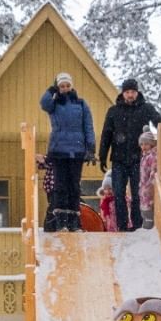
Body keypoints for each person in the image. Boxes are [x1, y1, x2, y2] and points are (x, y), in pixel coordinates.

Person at [98, 77, 161, 232]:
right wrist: (103, 155)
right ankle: (122, 226)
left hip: (139, 160)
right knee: (119, 194)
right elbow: (106, 134)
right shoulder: (114, 111)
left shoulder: (145, 108)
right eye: (127, 92)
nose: (130, 95)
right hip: (118, 159)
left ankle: (137, 225)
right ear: (123, 93)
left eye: (133, 92)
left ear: (137, 93)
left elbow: (158, 120)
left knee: (137, 194)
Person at [39, 72, 95, 231]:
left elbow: (88, 126)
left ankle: (74, 222)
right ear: (58, 87)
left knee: (74, 186)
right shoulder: (54, 104)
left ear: (72, 86)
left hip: (77, 150)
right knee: (60, 186)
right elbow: (43, 103)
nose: (65, 88)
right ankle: (61, 222)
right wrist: (52, 90)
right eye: (62, 86)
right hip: (58, 150)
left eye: (67, 85)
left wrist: (90, 147)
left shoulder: (81, 104)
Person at [138, 129, 158, 229]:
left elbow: (153, 171)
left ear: (151, 144)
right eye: (142, 144)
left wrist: (148, 186)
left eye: (146, 144)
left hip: (148, 187)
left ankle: (148, 227)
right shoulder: (144, 156)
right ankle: (146, 225)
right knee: (144, 209)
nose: (143, 147)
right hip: (143, 186)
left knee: (148, 209)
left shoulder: (152, 156)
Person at [37, 154, 57, 232]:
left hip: (56, 188)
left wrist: (44, 159)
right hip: (52, 188)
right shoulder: (55, 155)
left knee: (54, 208)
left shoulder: (63, 157)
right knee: (52, 207)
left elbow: (48, 162)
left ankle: (50, 227)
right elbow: (42, 164)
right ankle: (50, 227)